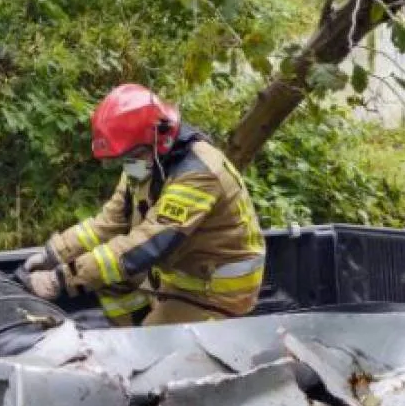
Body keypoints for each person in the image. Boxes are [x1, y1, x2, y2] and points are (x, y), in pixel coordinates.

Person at [21, 83, 265, 326]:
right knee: (110, 280)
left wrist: (61, 280)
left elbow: (148, 243)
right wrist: (54, 254)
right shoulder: (145, 161)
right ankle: (130, 333)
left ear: (159, 138)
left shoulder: (198, 174)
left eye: (133, 156)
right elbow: (108, 223)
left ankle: (142, 341)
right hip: (177, 274)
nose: (128, 164)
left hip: (216, 289)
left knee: (152, 338)